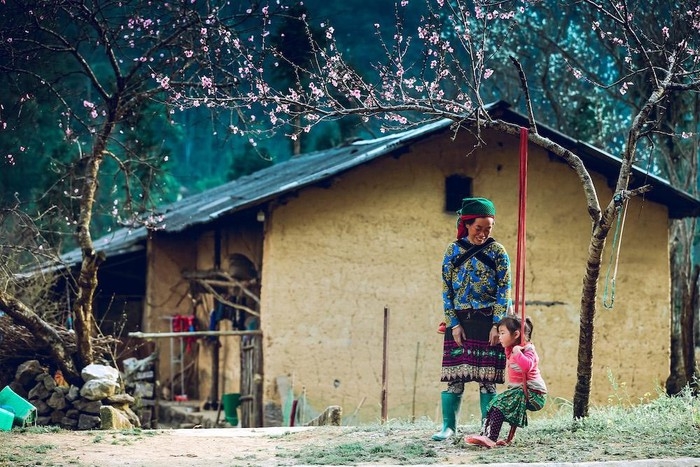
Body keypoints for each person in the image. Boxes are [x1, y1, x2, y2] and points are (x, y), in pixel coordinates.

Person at [432, 197, 513, 441]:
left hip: (488, 321)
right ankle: (448, 427)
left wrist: (498, 325)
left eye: (489, 228)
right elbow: (446, 289)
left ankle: (488, 429)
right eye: (479, 228)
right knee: (455, 379)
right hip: (461, 322)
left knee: (487, 381)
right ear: (467, 224)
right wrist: (453, 323)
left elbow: (504, 288)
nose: (483, 233)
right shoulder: (453, 250)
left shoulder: (498, 252)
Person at [464, 316, 547, 448]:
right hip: (520, 391)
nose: (499, 336)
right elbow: (509, 353)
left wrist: (518, 352)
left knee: (499, 405)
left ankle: (490, 438)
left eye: (502, 333)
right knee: (493, 405)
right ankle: (486, 435)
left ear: (516, 334)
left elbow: (527, 367)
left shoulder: (528, 349)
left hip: (534, 394)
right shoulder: (513, 348)